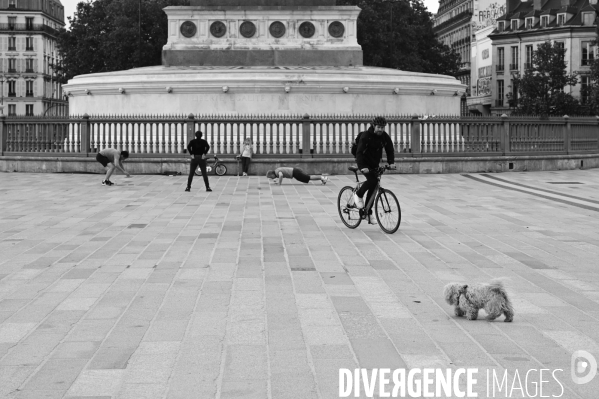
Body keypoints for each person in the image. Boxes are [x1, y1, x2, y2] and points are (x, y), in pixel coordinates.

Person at [352, 116, 396, 209]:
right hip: (364, 163)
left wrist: (391, 163)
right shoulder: (366, 136)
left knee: (374, 187)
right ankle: (358, 194)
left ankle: (368, 211)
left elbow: (390, 150)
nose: (380, 129)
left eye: (382, 127)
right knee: (372, 180)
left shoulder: (384, 136)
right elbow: (359, 152)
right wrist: (362, 166)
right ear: (374, 126)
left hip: (374, 163)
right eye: (378, 127)